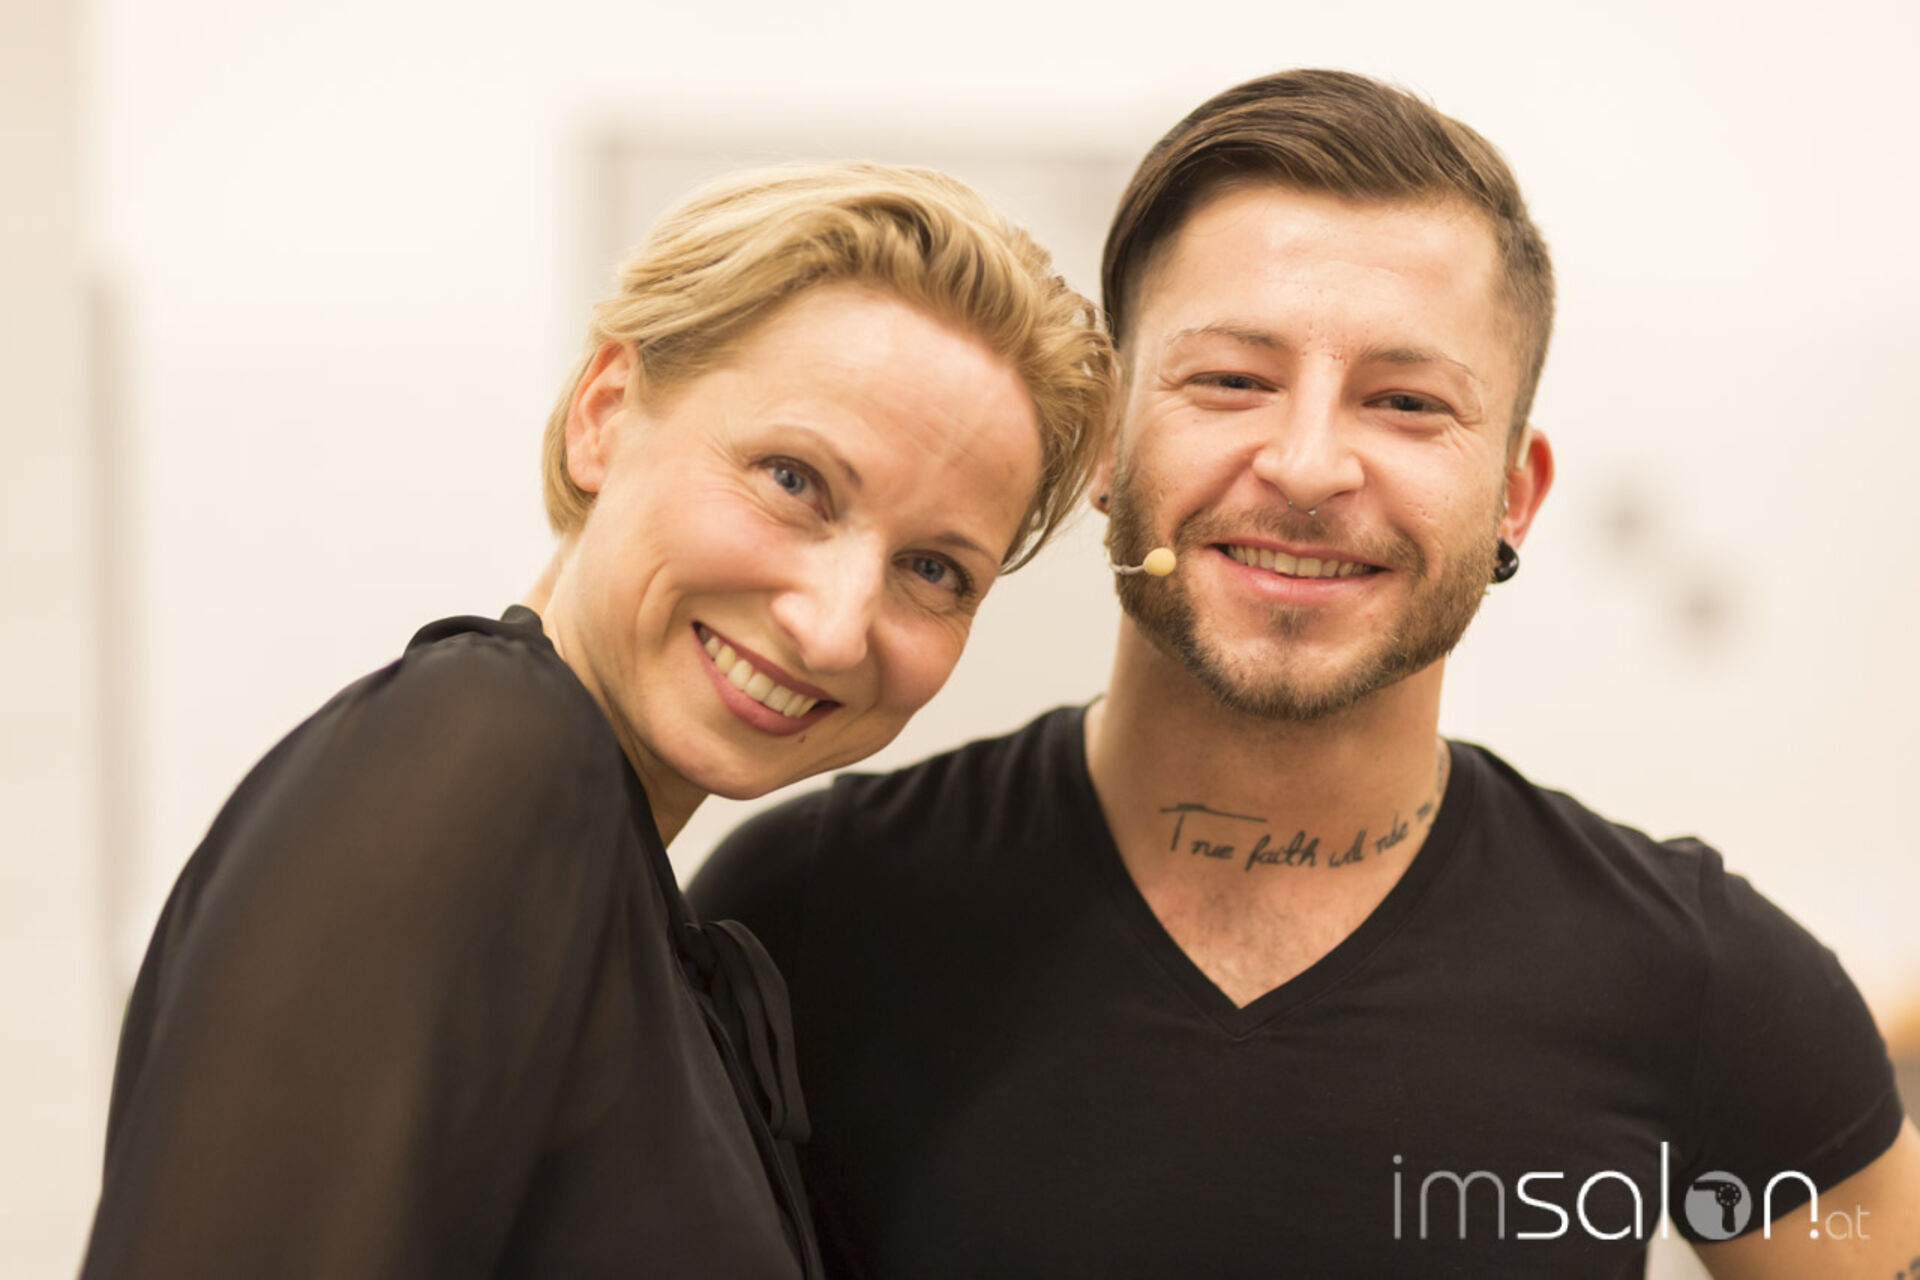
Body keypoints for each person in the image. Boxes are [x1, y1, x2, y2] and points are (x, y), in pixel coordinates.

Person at [690, 73, 1920, 1277]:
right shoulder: (804, 911)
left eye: (1407, 401)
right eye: (1232, 379)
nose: (1308, 464)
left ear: (1514, 495)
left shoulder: (1709, 982)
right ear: (1103, 441)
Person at [80, 162, 1114, 1279]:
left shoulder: (623, 898)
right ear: (604, 414)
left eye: (933, 569)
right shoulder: (485, 746)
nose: (832, 629)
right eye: (793, 479)